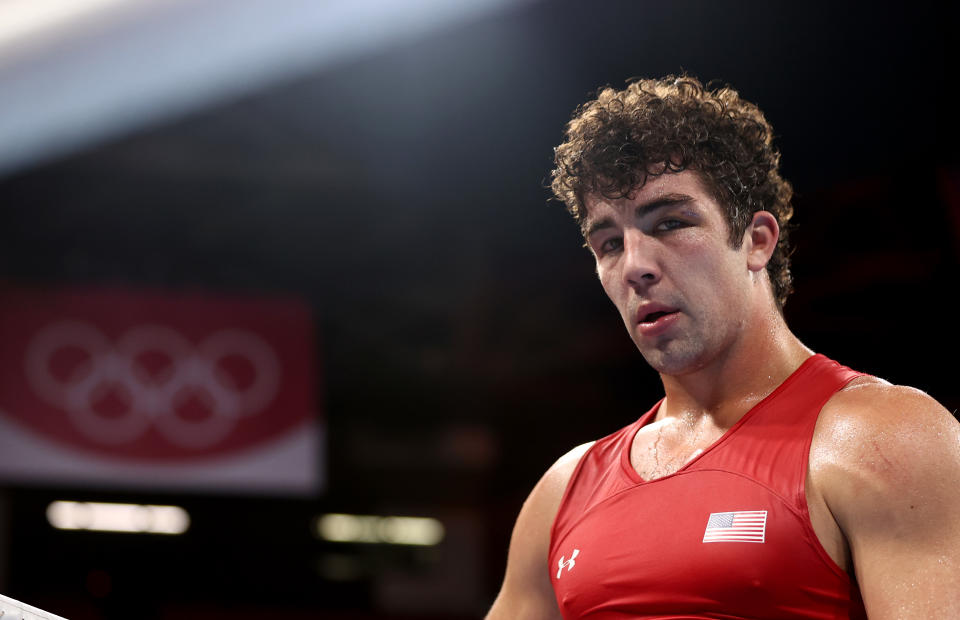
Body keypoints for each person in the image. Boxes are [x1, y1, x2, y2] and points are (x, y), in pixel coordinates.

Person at [486, 75, 960, 619]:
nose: (635, 265)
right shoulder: (564, 490)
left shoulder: (884, 438)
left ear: (757, 240)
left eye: (669, 223)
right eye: (610, 243)